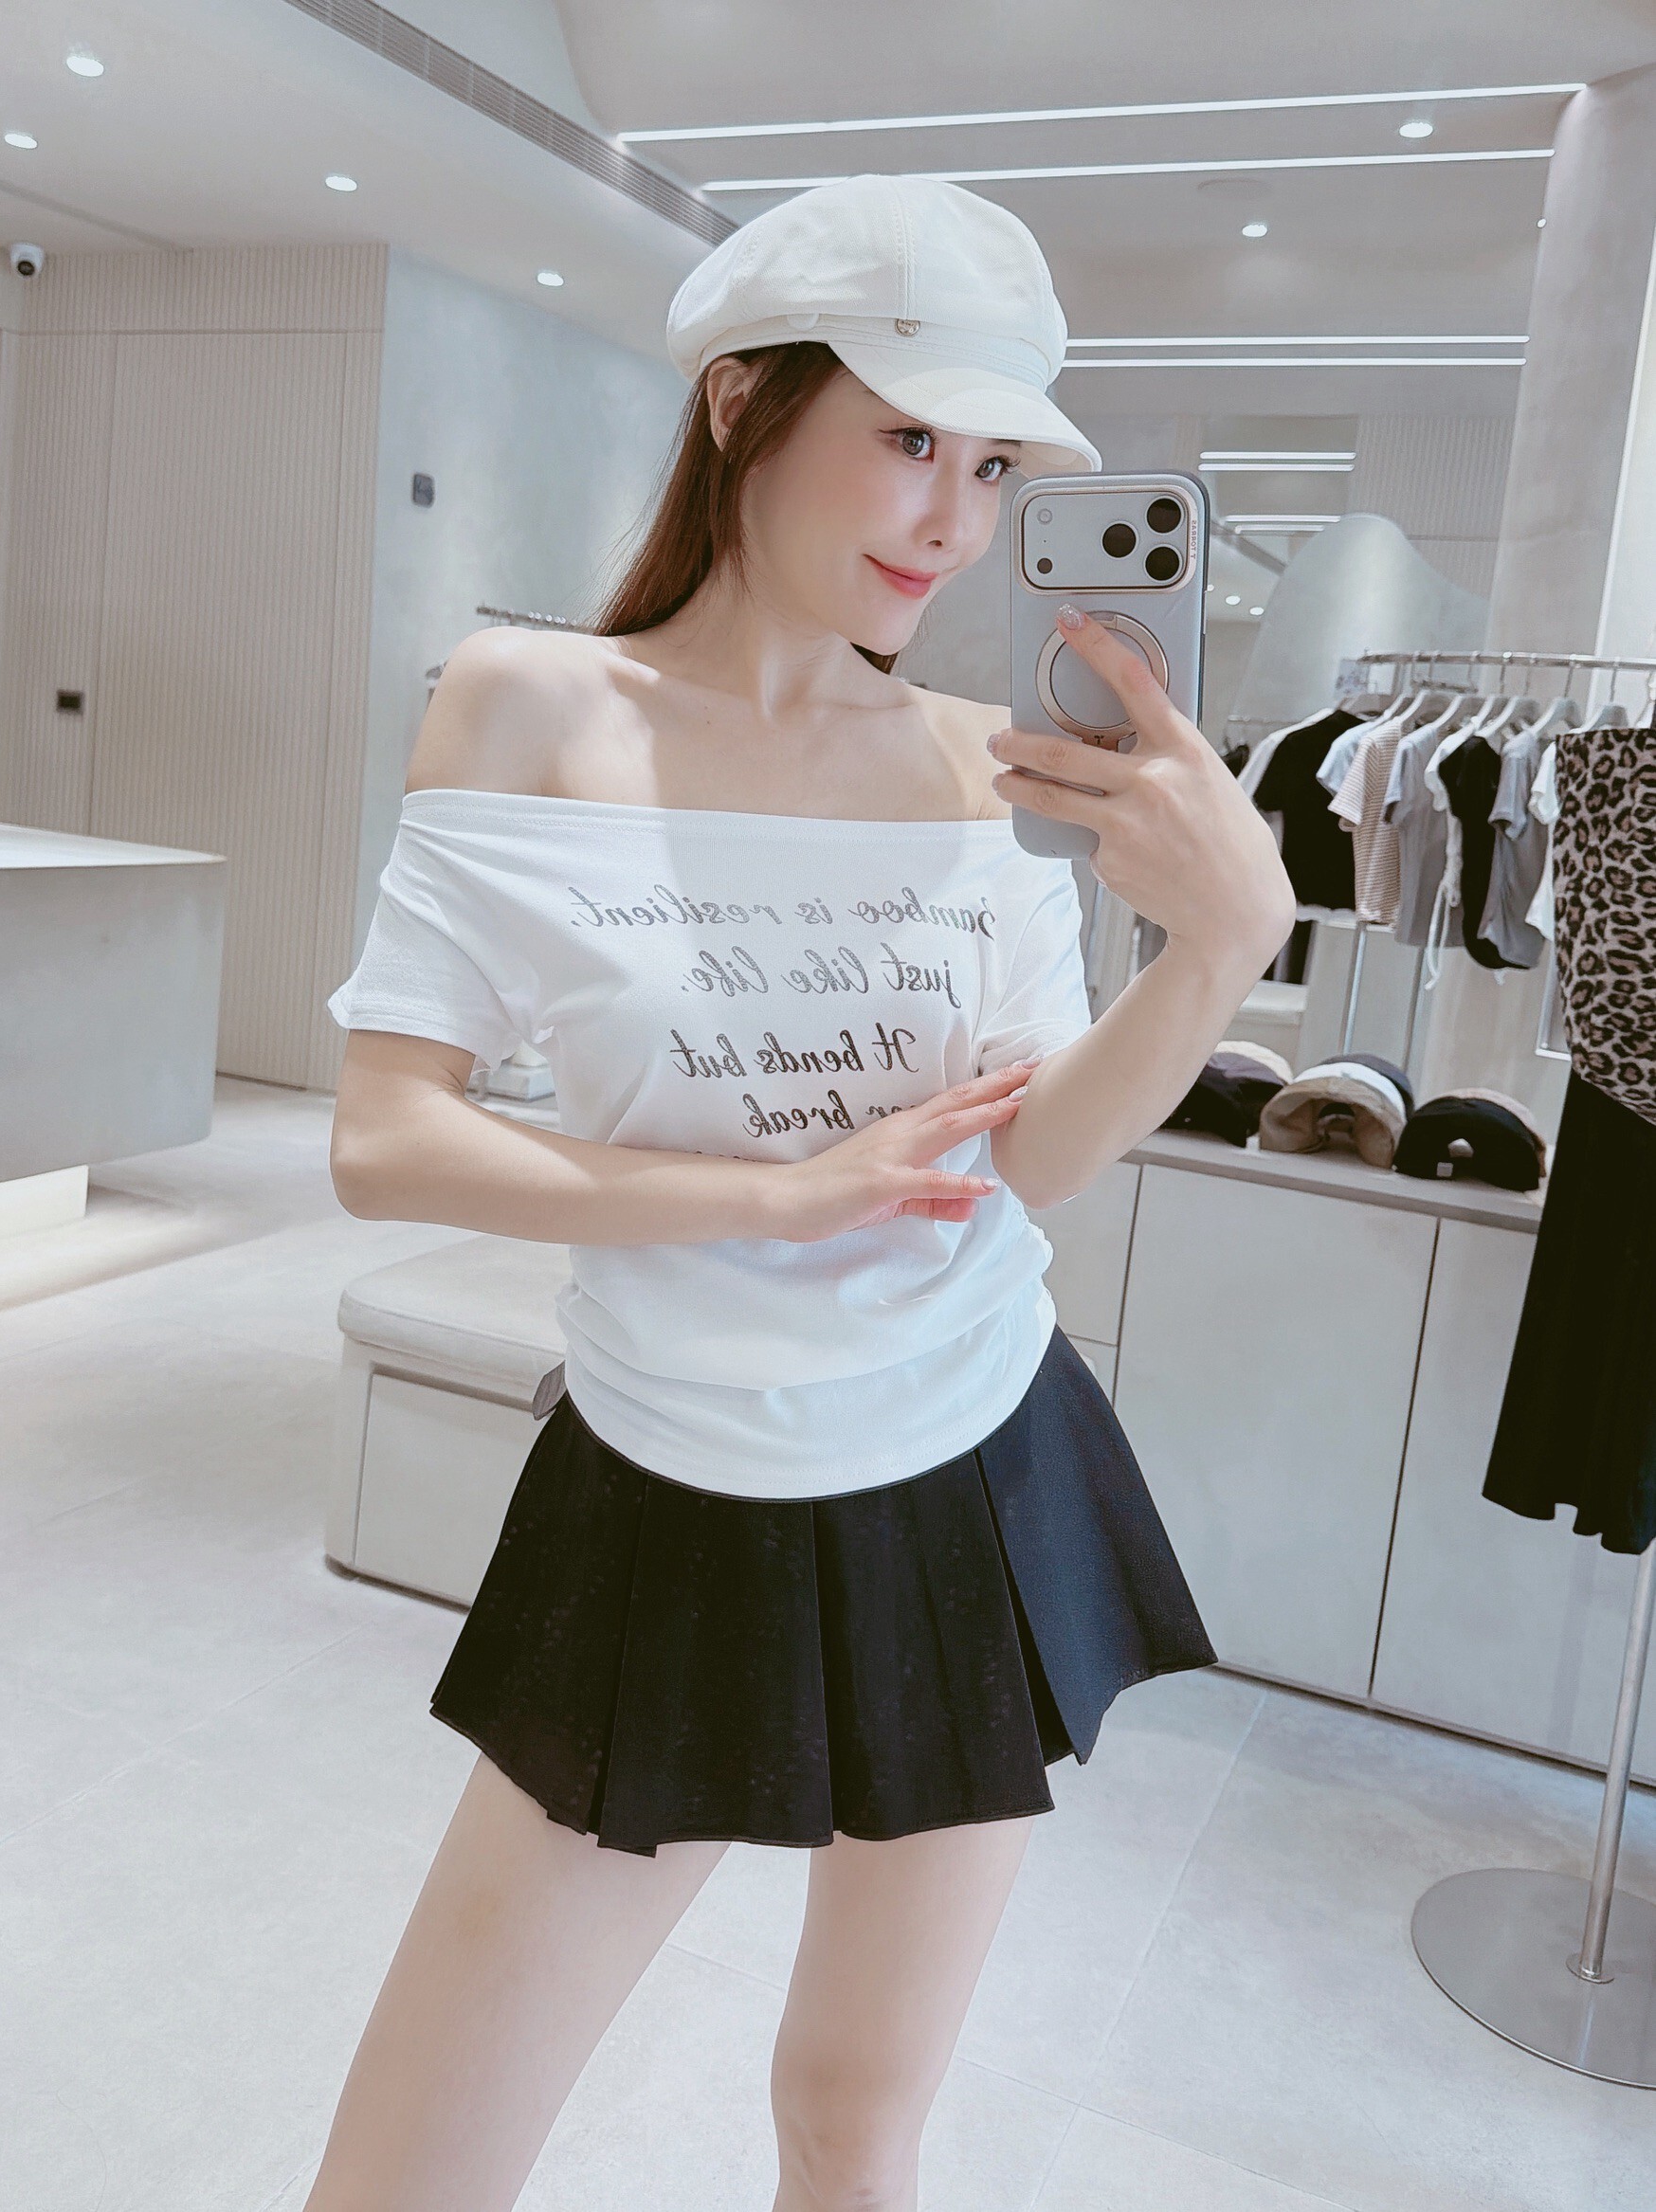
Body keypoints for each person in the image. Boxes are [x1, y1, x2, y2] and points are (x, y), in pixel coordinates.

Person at [307, 172, 1294, 2212]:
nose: (953, 518)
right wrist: (761, 1201)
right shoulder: (529, 707)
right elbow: (384, 1136)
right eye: (909, 436)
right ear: (743, 398)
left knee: (854, 2126)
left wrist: (1214, 955)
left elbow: (1035, 1159)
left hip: (971, 1465)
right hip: (670, 1481)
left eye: (991, 464)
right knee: (408, 2174)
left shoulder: (980, 766)